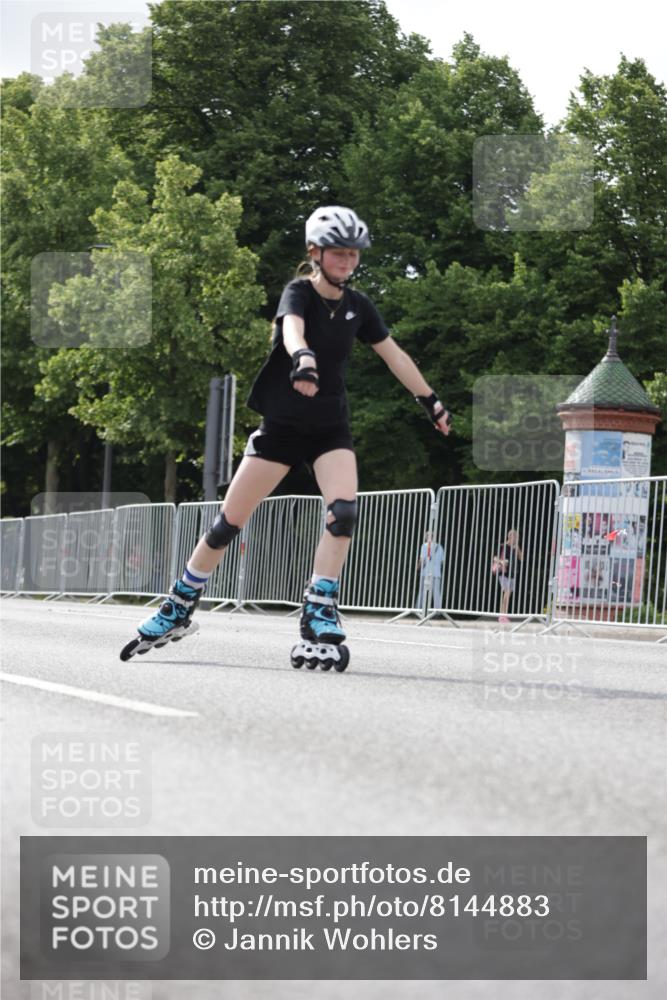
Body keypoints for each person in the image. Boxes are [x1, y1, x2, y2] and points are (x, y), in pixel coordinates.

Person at [120, 206, 451, 663]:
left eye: (353, 253)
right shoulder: (298, 293)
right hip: (282, 428)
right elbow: (292, 329)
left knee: (343, 514)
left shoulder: (359, 307)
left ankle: (318, 607)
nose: (347, 261)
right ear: (315, 252)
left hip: (329, 427)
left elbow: (394, 355)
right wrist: (304, 358)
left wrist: (429, 400)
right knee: (227, 524)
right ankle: (179, 605)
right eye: (338, 252)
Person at [493, 528, 523, 623]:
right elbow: (495, 558)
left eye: (517, 537)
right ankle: (502, 615)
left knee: (508, 594)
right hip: (504, 572)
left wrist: (517, 548)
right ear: (510, 536)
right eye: (515, 537)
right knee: (506, 592)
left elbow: (521, 558)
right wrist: (502, 562)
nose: (516, 539)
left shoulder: (515, 548)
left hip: (513, 573)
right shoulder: (503, 546)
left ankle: (503, 615)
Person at [416, 531, 444, 611]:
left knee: (422, 591)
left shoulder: (425, 546)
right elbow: (442, 561)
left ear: (427, 537)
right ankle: (437, 611)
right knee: (436, 593)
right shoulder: (440, 547)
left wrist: (418, 567)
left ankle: (418, 609)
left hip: (426, 573)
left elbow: (423, 560)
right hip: (436, 573)